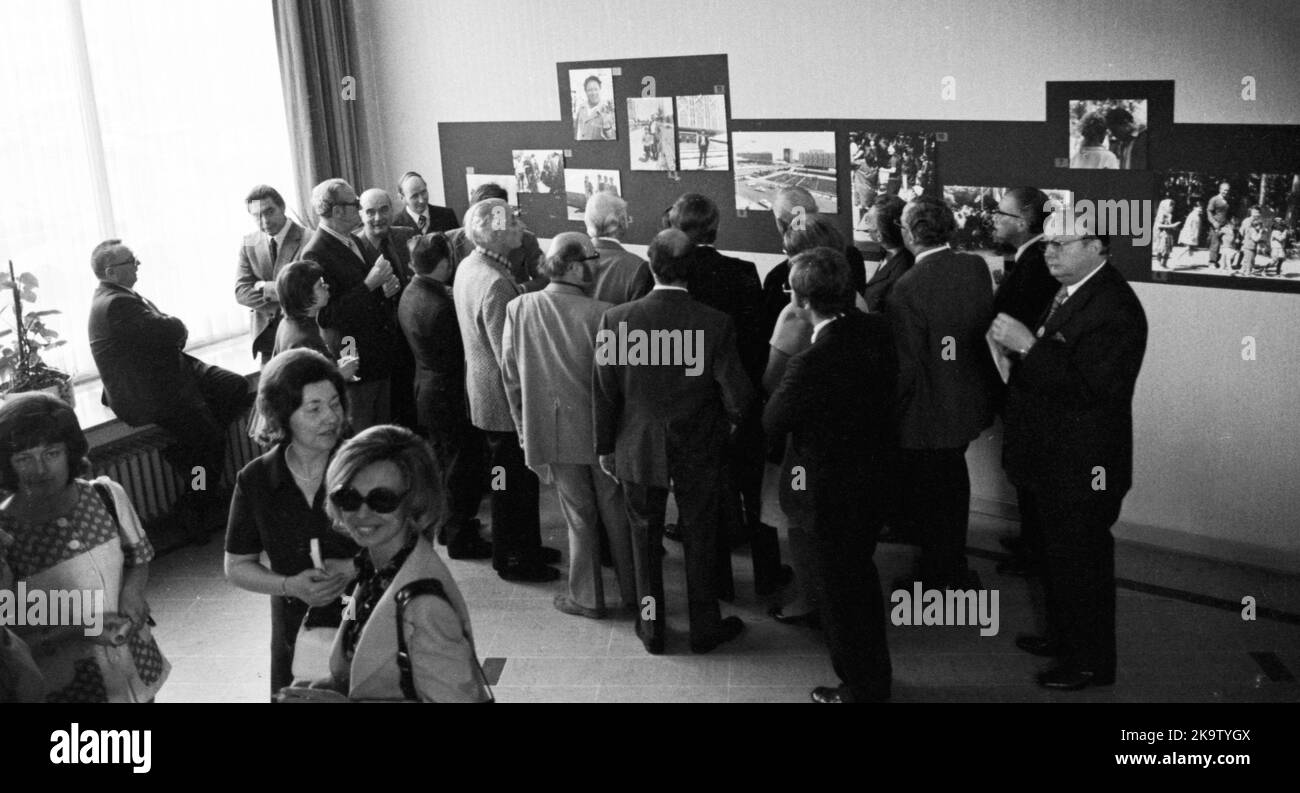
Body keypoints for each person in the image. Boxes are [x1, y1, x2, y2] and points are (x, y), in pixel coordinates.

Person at [989, 220, 1147, 691]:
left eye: (1063, 244)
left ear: (1098, 248)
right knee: (1060, 562)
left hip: (1084, 467)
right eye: (1049, 243)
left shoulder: (1114, 307)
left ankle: (1091, 664)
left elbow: (1090, 390)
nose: (1049, 253)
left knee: (1083, 568)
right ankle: (1065, 640)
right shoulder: (1074, 291)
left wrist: (1028, 347)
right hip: (1055, 458)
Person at [593, 229, 752, 655]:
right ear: (691, 269)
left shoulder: (616, 320)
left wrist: (606, 446)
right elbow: (737, 394)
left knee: (643, 540)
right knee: (700, 536)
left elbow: (606, 392)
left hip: (636, 445)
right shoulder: (715, 322)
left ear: (650, 264)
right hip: (698, 444)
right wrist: (730, 426)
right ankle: (704, 627)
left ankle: (651, 629)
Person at [764, 247, 895, 703]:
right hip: (876, 479)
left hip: (829, 493)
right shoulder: (879, 330)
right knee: (860, 580)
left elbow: (771, 422)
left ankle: (860, 688)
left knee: (840, 596)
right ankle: (873, 677)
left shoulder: (809, 363)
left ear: (800, 302)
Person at [0, 392, 169, 702]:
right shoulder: (3, 533)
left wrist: (132, 591)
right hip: (67, 685)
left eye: (52, 453)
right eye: (24, 458)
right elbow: (7, 632)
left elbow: (138, 558)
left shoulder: (106, 495)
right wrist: (79, 630)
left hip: (135, 663)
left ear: (71, 452)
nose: (40, 470)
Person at [501, 233, 636, 619]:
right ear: (575, 266)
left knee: (578, 516)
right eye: (593, 259)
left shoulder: (519, 308)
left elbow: (511, 376)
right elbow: (622, 381)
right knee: (616, 513)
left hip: (553, 431)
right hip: (604, 434)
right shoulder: (606, 314)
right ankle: (634, 594)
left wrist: (524, 428)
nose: (597, 265)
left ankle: (588, 598)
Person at [88, 239, 254, 534]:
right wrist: (173, 327)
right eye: (132, 261)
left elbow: (164, 337)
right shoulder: (116, 304)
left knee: (235, 387)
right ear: (112, 271)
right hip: (153, 393)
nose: (138, 265)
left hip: (176, 372)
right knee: (211, 442)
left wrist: (170, 331)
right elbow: (171, 331)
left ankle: (186, 455)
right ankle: (195, 501)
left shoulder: (118, 296)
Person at [224, 349, 359, 697]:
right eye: (313, 409)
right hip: (296, 626)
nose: (330, 417)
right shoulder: (256, 480)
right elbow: (237, 566)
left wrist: (354, 566)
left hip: (366, 616)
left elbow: (411, 542)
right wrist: (289, 585)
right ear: (284, 415)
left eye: (334, 403)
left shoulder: (365, 465)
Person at [669, 193, 785, 598]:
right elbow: (756, 341)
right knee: (755, 495)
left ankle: (719, 584)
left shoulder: (672, 276)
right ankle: (768, 575)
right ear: (715, 227)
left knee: (707, 500)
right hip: (741, 397)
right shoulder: (743, 271)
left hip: (694, 403)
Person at [323, 425, 491, 702]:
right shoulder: (377, 566)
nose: (362, 513)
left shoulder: (424, 604)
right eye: (348, 498)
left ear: (414, 502)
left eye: (382, 500)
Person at [887, 196, 1001, 590]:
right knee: (951, 484)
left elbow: (906, 365)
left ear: (910, 233)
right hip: (967, 397)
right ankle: (949, 564)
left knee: (934, 495)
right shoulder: (974, 266)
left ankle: (941, 573)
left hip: (928, 409)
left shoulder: (906, 288)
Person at [453, 198, 559, 582]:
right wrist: (526, 408)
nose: (520, 224)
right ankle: (514, 558)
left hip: (483, 394)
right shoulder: (496, 282)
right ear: (495, 231)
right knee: (512, 483)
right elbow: (509, 357)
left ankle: (520, 546)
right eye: (513, 220)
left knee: (507, 481)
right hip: (502, 402)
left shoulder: (471, 266)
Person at [397, 233, 491, 560]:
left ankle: (448, 527)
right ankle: (460, 535)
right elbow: (460, 354)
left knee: (445, 466)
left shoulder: (410, 293)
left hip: (426, 390)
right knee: (461, 470)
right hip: (449, 396)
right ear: (445, 263)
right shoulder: (441, 307)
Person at [989, 187, 1060, 576]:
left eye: (1003, 213)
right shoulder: (1031, 257)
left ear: (1026, 222)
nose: (995, 219)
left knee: (1028, 469)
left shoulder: (1035, 262)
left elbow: (1018, 322)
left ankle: (1035, 549)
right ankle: (1032, 539)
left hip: (1026, 382)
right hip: (1023, 380)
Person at [302, 178, 401, 431]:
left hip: (378, 355)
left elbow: (369, 292)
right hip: (354, 361)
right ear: (337, 211)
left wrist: (385, 290)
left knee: (382, 434)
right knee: (363, 439)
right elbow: (326, 315)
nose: (359, 208)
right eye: (355, 203)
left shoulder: (353, 240)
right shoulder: (315, 253)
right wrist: (369, 285)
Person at [355, 188, 418, 430]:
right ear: (361, 214)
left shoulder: (406, 236)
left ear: (392, 210)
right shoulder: (354, 248)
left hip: (409, 340)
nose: (378, 218)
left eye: (383, 210)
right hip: (379, 349)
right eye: (370, 212)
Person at [236, 185, 306, 364]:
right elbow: (241, 292)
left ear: (282, 207)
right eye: (257, 215)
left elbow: (303, 292)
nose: (264, 220)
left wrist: (263, 287)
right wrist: (283, 302)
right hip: (266, 341)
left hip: (300, 336)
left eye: (269, 211)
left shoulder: (308, 239)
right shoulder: (249, 243)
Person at [444, 183, 546, 290]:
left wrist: (517, 290)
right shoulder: (451, 240)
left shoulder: (525, 238)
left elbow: (545, 277)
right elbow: (433, 283)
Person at [271, 260, 361, 380]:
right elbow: (315, 386)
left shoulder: (287, 322)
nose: (326, 286)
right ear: (305, 295)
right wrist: (341, 374)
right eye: (320, 285)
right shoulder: (306, 339)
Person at [585, 192, 653, 305]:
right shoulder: (638, 267)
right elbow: (629, 318)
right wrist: (621, 324)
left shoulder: (571, 259)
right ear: (621, 221)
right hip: (620, 323)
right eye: (627, 217)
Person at [860, 194, 913, 313]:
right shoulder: (889, 253)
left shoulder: (900, 273)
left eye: (869, 220)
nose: (866, 225)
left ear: (879, 236)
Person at [390, 171, 459, 235]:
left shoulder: (447, 215)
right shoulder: (394, 225)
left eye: (423, 192)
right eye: (414, 196)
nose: (421, 200)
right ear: (402, 198)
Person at [573, 75, 615, 140]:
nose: (593, 93)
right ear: (585, 92)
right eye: (589, 90)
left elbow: (610, 136)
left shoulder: (606, 110)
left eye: (596, 89)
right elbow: (576, 131)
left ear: (600, 89)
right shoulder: (581, 108)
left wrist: (606, 122)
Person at [1205, 182, 1231, 268]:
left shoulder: (1227, 200)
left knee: (1224, 244)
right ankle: (1212, 262)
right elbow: (1209, 212)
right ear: (1220, 190)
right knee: (1215, 244)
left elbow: (1227, 213)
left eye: (1227, 190)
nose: (1226, 192)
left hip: (1224, 225)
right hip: (1215, 225)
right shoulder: (1214, 199)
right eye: (1224, 190)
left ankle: (1218, 261)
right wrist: (1213, 222)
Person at [1152, 198, 1179, 269]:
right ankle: (1159, 263)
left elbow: (1169, 224)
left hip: (1168, 234)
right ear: (1165, 206)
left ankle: (1164, 263)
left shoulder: (1169, 215)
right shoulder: (1161, 214)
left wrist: (1174, 227)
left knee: (1168, 250)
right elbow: (1158, 225)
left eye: (1173, 206)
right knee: (1161, 249)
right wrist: (1172, 226)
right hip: (1162, 235)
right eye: (1171, 206)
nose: (1172, 208)